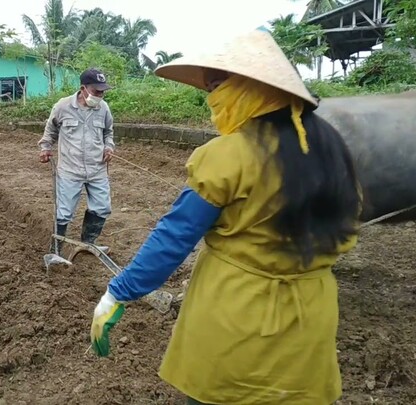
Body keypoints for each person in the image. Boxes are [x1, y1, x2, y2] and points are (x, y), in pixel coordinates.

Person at [89, 28, 362, 404]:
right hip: (311, 317)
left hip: (236, 314)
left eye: (219, 85)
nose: (213, 98)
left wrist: (118, 292)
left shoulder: (227, 154)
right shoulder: (333, 151)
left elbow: (175, 236)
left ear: (253, 87)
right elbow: (347, 229)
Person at [38, 68, 115, 254]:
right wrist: (45, 148)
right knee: (64, 213)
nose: (101, 95)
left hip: (97, 168)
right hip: (70, 170)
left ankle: (88, 243)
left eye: (103, 91)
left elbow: (108, 131)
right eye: (97, 91)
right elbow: (51, 130)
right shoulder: (63, 106)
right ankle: (55, 252)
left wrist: (109, 146)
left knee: (102, 207)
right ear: (83, 88)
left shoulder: (103, 108)